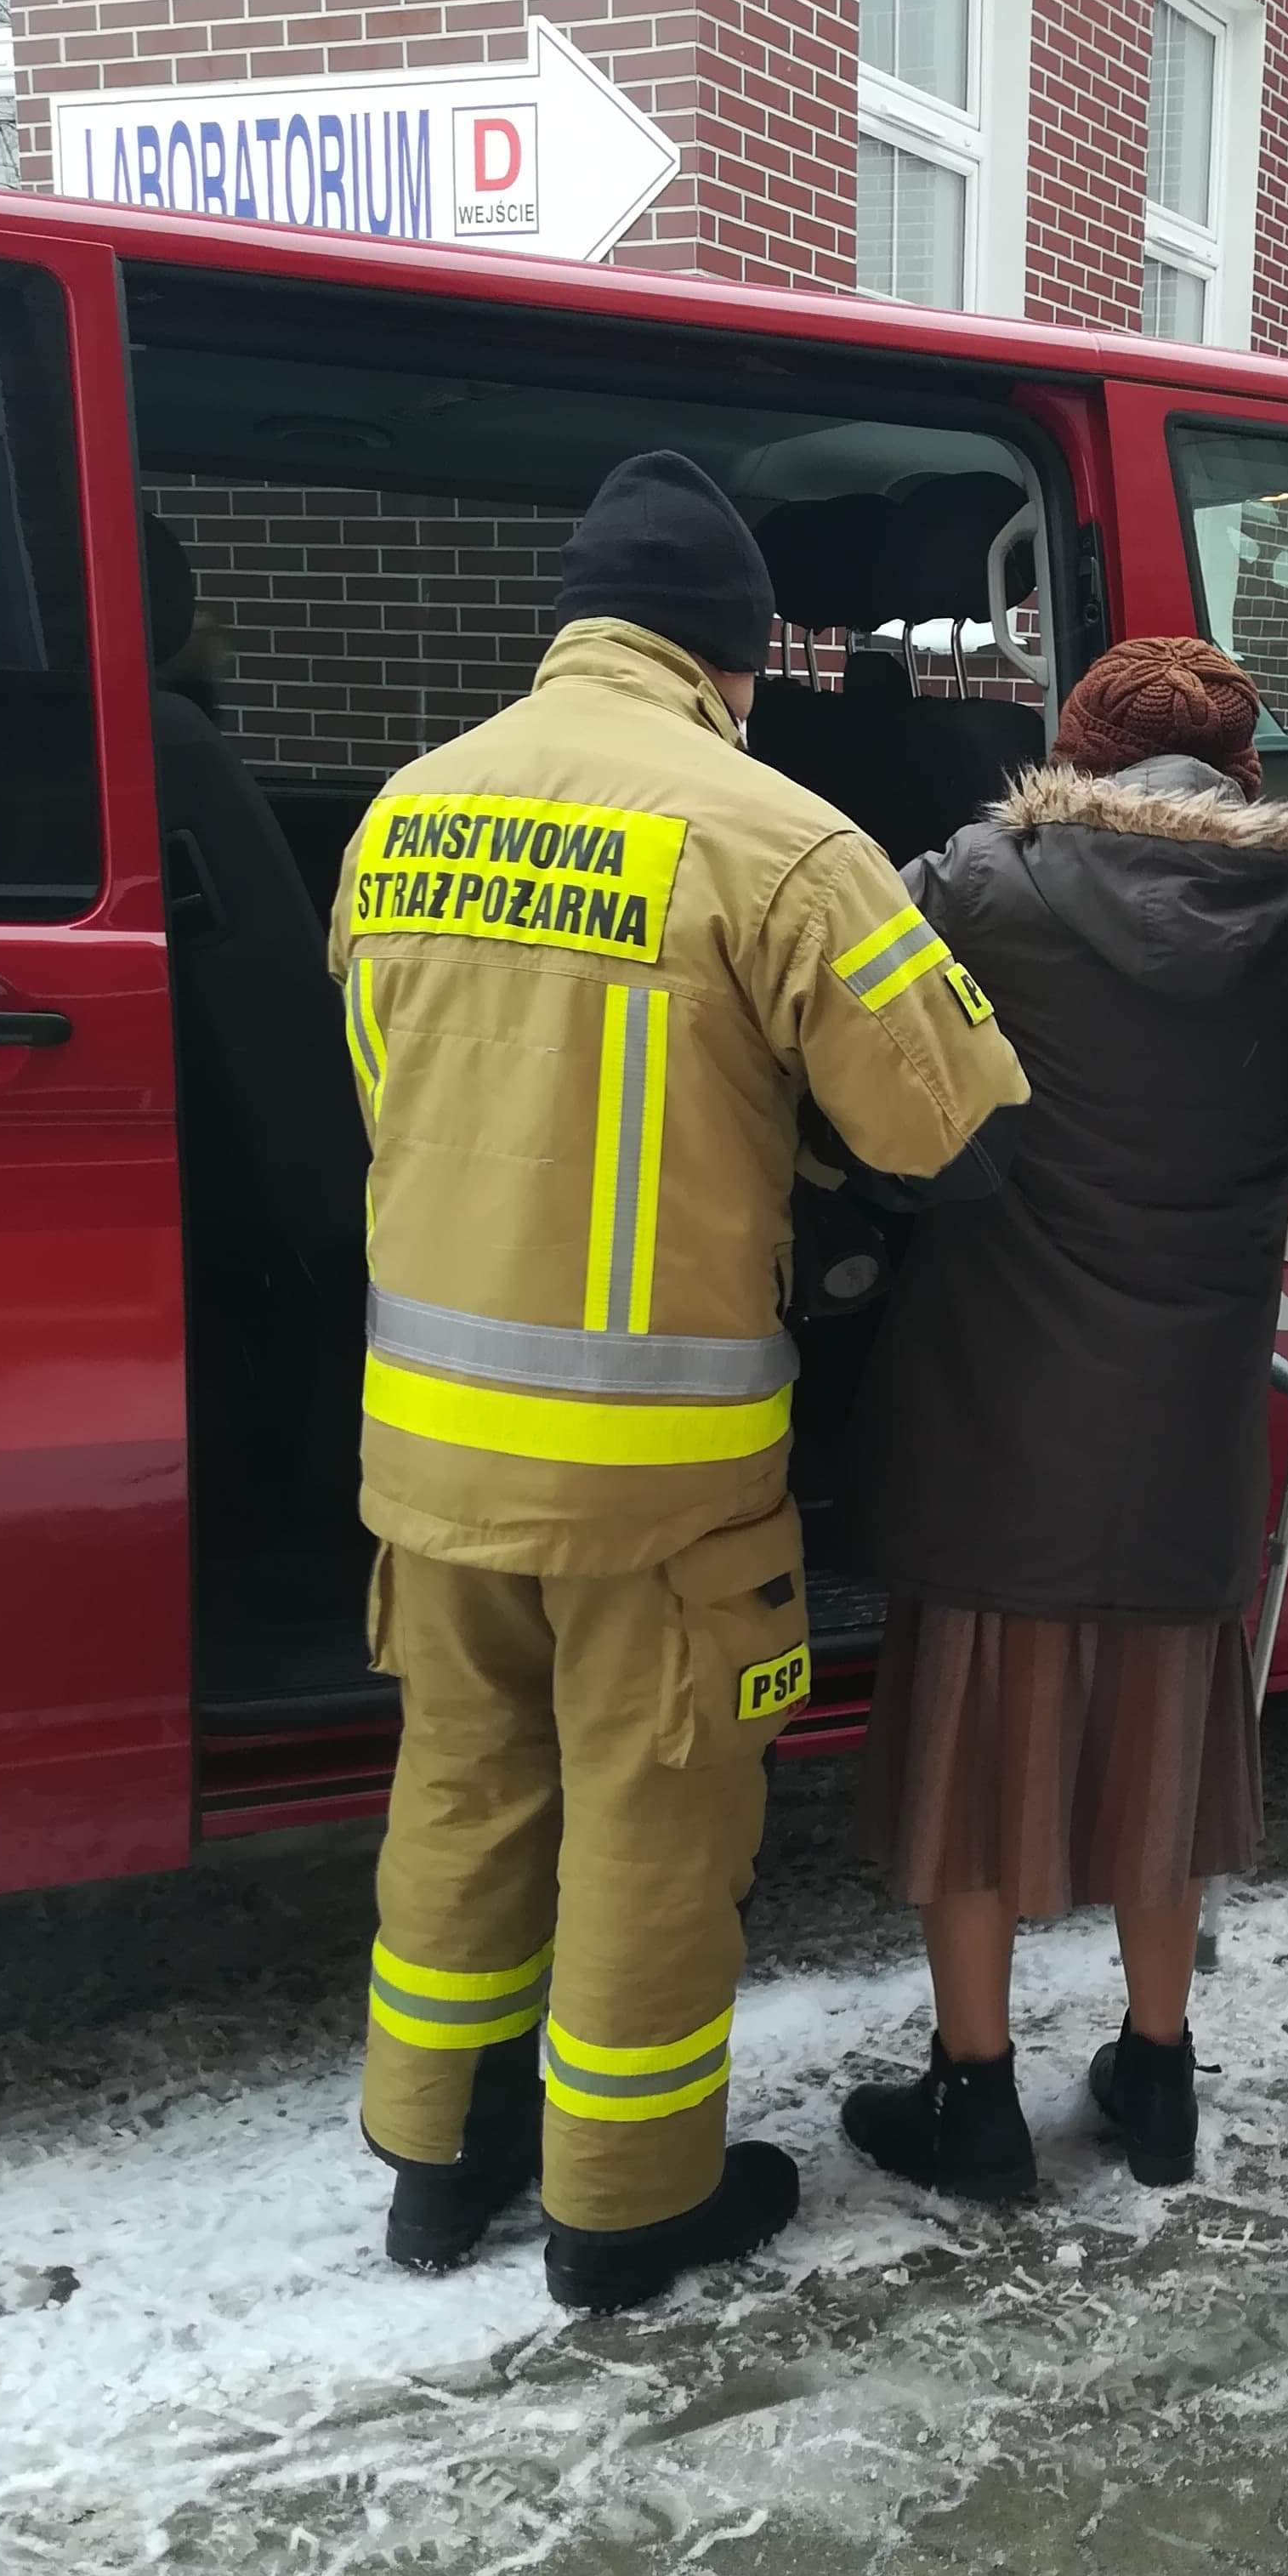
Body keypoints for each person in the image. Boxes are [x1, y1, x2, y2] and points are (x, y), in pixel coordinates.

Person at [330, 451, 1028, 2311]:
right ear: (739, 660)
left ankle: (436, 2158)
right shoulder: (778, 836)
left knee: (465, 1789)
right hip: (661, 1473)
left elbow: (404, 1101)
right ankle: (627, 2207)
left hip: (430, 1445)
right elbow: (951, 1133)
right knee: (652, 1815)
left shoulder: (404, 811)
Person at [838, 636, 1288, 2199]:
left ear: (1074, 754)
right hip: (1189, 1417)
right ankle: (1157, 2078)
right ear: (1245, 775)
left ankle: (976, 2097)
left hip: (993, 1408)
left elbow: (881, 1096)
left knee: (975, 1751)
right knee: (1163, 1753)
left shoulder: (972, 883)